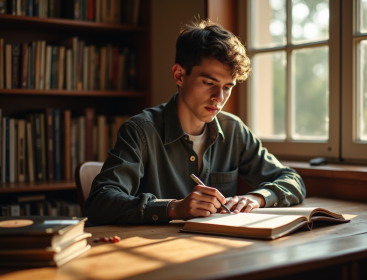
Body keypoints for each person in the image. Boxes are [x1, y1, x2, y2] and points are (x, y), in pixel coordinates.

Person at [85, 19, 306, 225]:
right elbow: (100, 201)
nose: (219, 98)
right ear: (179, 75)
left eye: (228, 87)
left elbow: (292, 179)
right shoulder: (140, 131)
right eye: (209, 82)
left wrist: (258, 198)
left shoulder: (234, 130)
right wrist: (172, 208)